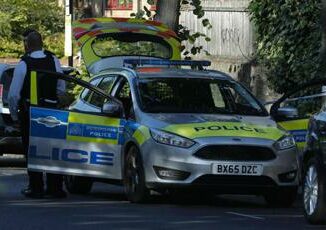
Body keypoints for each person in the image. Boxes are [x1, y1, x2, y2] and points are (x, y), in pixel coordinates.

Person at [8, 30, 66, 198]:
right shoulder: (53, 60)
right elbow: (61, 87)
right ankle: (55, 187)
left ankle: (36, 187)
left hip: (31, 114)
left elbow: (13, 95)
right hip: (52, 113)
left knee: (32, 151)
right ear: (42, 43)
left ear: (27, 45)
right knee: (53, 149)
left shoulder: (23, 64)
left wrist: (14, 117)